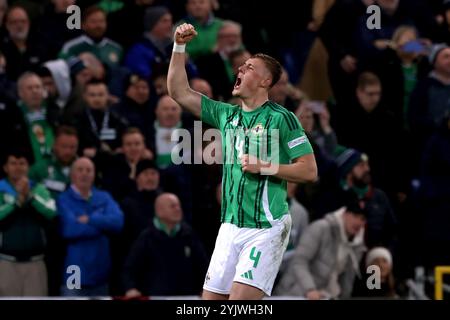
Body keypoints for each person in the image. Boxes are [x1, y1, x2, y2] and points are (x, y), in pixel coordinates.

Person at [167, 23, 317, 300]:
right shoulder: (227, 115)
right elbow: (179, 92)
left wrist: (265, 166)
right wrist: (179, 46)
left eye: (249, 68)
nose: (240, 70)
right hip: (229, 226)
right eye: (241, 66)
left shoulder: (283, 118)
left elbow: (309, 171)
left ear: (265, 82)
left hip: (265, 227)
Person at [273, 191, 367, 299]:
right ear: (345, 213)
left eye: (362, 219)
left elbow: (347, 279)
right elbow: (299, 261)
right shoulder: (321, 228)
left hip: (323, 295)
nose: (358, 222)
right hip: (293, 293)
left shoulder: (357, 244)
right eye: (355, 215)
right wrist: (310, 289)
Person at [57, 157, 124, 296]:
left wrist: (89, 219)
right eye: (80, 170)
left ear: (94, 174)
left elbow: (118, 222)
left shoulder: (104, 197)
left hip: (101, 273)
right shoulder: (63, 199)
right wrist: (103, 225)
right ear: (72, 174)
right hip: (74, 272)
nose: (84, 173)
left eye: (89, 170)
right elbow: (70, 229)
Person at [123, 193, 208, 298]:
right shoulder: (146, 237)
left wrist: (206, 289)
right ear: (159, 211)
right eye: (173, 206)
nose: (178, 209)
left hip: (187, 298)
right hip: (155, 296)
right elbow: (130, 268)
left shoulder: (189, 235)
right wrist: (131, 288)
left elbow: (203, 266)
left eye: (178, 206)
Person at [0, 149, 57, 296]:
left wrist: (30, 197)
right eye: (13, 163)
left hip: (35, 264)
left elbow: (51, 212)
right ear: (5, 167)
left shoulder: (38, 189)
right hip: (6, 263)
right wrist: (17, 202)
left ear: (28, 167)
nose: (18, 167)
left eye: (22, 163)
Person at [28, 125, 79, 198]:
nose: (68, 151)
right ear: (54, 145)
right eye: (64, 146)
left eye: (72, 147)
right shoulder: (39, 169)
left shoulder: (84, 169)